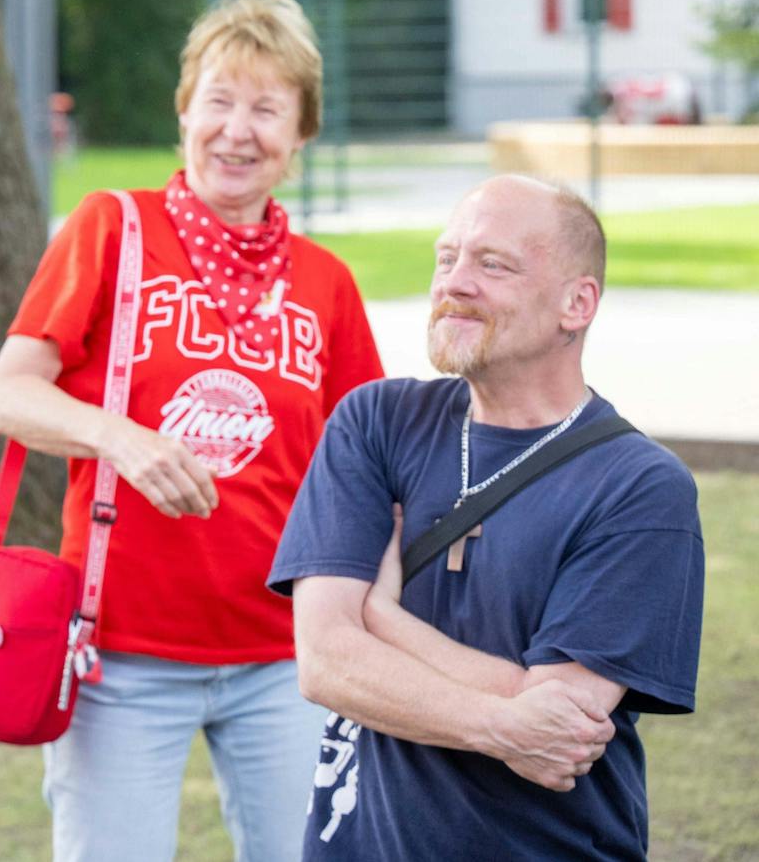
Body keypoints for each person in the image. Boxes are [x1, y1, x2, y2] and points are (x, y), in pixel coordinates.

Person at [0, 0, 385, 862]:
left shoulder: (326, 285)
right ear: (185, 111)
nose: (238, 130)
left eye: (267, 109)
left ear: (300, 137)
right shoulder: (111, 230)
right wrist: (116, 434)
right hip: (121, 656)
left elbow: (364, 469)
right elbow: (6, 393)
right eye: (220, 100)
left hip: (288, 657)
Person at [269, 176, 704, 859]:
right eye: (448, 258)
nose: (455, 282)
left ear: (576, 302)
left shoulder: (640, 488)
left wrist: (378, 615)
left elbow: (564, 722)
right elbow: (325, 661)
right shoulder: (376, 422)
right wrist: (505, 720)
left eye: (492, 263)